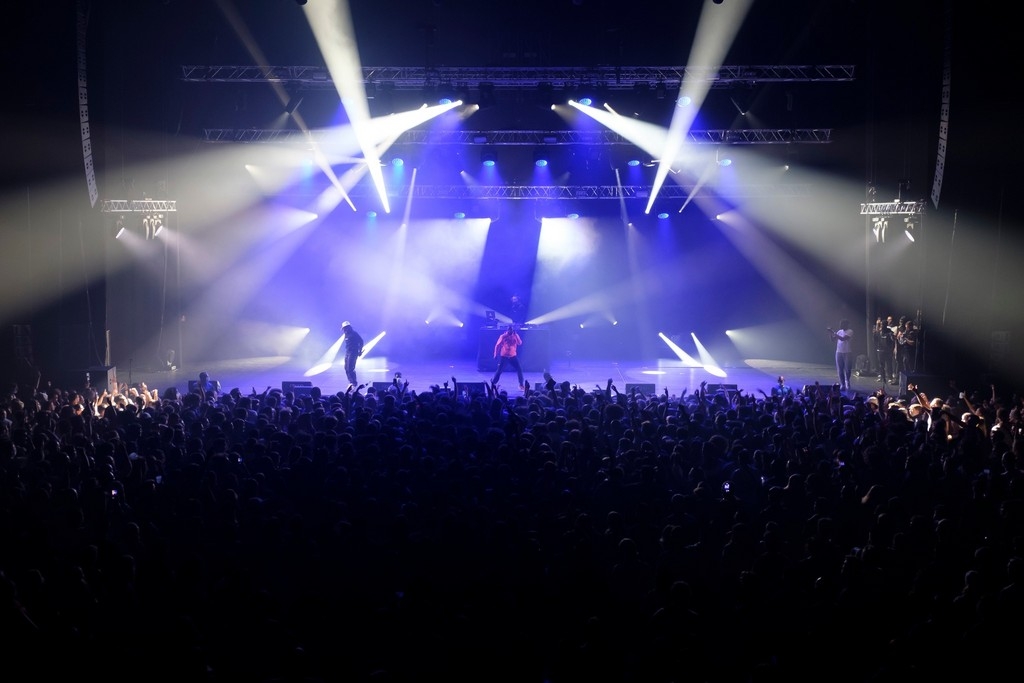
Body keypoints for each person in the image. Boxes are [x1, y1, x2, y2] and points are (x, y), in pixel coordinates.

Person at [491, 324, 525, 390]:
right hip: (504, 356)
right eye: (509, 330)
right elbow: (497, 345)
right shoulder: (503, 336)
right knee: (499, 371)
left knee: (519, 369)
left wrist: (516, 336)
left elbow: (520, 343)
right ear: (507, 330)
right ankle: (493, 384)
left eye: (512, 330)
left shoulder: (515, 335)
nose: (511, 331)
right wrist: (495, 354)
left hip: (513, 356)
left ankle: (521, 385)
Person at [828, 319, 854, 391]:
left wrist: (834, 332)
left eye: (842, 324)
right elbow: (833, 340)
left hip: (847, 352)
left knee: (848, 369)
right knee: (840, 369)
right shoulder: (839, 331)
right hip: (839, 352)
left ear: (846, 325)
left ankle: (847, 381)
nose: (840, 325)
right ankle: (842, 384)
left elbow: (843, 339)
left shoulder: (850, 331)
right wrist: (830, 333)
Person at [873, 316, 896, 386]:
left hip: (888, 351)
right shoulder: (879, 332)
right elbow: (875, 340)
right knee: (881, 365)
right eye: (882, 325)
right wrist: (874, 334)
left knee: (889, 364)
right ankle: (882, 377)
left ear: (886, 325)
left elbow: (893, 340)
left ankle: (890, 377)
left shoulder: (889, 332)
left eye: (883, 325)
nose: (882, 326)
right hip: (880, 350)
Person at [340, 321, 364, 387]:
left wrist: (359, 350)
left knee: (350, 368)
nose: (344, 330)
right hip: (347, 352)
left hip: (353, 352)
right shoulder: (346, 334)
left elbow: (361, 341)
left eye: (345, 328)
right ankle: (351, 381)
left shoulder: (354, 334)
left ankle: (354, 382)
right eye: (343, 329)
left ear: (348, 327)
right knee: (346, 368)